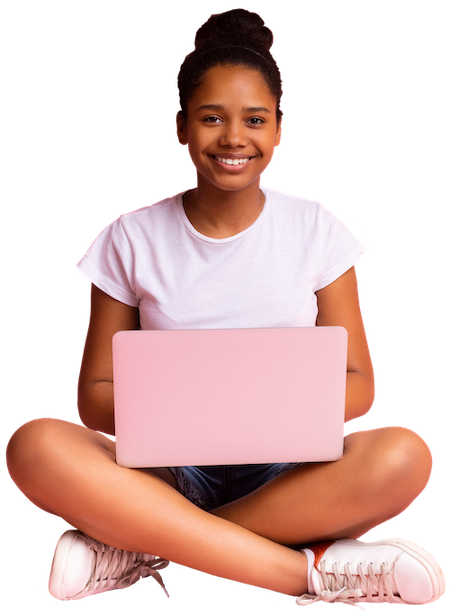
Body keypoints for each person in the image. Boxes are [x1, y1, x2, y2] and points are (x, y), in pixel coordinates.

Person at [4, 8, 447, 610]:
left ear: (278, 131)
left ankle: (143, 541)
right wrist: (185, 407)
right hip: (166, 472)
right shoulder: (130, 237)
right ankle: (307, 573)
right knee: (34, 445)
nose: (234, 138)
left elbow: (360, 384)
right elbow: (95, 397)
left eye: (255, 120)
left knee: (405, 454)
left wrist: (263, 408)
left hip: (289, 474)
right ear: (181, 126)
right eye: (211, 118)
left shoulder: (316, 230)